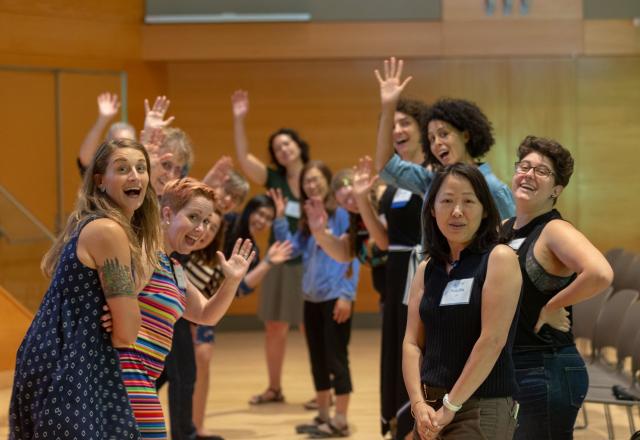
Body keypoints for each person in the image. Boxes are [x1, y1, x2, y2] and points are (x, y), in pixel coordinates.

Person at [10, 138, 162, 439]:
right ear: (100, 181)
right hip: (70, 363)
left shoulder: (100, 225)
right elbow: (127, 332)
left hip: (64, 358)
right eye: (122, 168)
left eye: (141, 168)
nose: (135, 175)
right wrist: (119, 319)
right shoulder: (108, 231)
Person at [116, 177, 255, 439]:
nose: (201, 229)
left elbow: (205, 314)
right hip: (124, 380)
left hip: (144, 380)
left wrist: (232, 281)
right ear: (167, 213)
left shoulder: (173, 267)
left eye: (206, 221)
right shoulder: (143, 252)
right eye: (194, 217)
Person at [500, 136, 613, 439]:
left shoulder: (554, 230)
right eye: (524, 166)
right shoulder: (505, 227)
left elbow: (600, 273)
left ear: (556, 190)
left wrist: (551, 306)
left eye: (542, 171)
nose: (529, 174)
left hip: (547, 367)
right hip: (514, 365)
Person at [403, 163, 522, 440]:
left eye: (468, 201)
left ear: (484, 210)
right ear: (432, 209)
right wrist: (419, 404)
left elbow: (491, 341)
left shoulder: (499, 259)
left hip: (480, 406)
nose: (457, 211)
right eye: (446, 201)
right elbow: (411, 343)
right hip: (429, 408)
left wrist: (451, 406)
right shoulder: (427, 268)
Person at [188, 195, 293, 440]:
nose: (262, 220)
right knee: (174, 366)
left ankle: (196, 426)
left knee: (202, 358)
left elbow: (241, 289)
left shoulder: (252, 249)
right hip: (184, 289)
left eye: (268, 218)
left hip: (203, 305)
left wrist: (267, 263)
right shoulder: (227, 222)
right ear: (248, 211)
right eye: (259, 213)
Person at [231, 89, 309, 404]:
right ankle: (274, 388)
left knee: (310, 329)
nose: (283, 149)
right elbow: (243, 159)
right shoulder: (273, 178)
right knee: (275, 328)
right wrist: (239, 120)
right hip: (279, 262)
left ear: (298, 146)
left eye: (287, 143)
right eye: (277, 147)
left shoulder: (315, 177)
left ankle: (324, 391)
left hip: (310, 264)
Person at [272, 161, 360, 438]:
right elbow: (289, 248)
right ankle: (323, 416)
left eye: (316, 179)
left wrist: (347, 295)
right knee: (317, 360)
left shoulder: (343, 214)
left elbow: (352, 256)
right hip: (311, 299)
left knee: (336, 359)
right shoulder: (309, 219)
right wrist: (280, 217)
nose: (311, 185)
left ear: (326, 181)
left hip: (336, 298)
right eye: (307, 182)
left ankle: (341, 419)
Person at [374, 57, 515, 222]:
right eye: (431, 139)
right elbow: (385, 165)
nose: (437, 143)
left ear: (466, 135)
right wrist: (388, 107)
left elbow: (512, 240)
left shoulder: (493, 188)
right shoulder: (431, 181)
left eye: (443, 134)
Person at [76, 92, 137, 175]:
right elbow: (85, 159)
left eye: (127, 143)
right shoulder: (101, 173)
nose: (122, 149)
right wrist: (102, 119)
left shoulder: (141, 171)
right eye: (117, 143)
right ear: (106, 145)